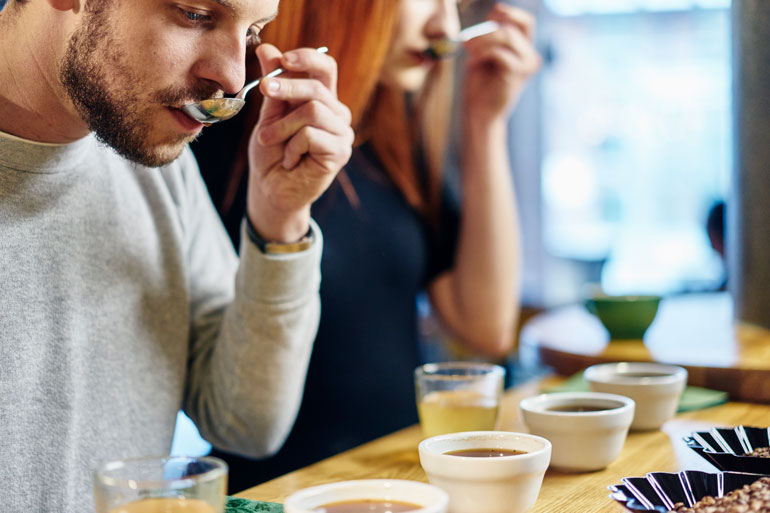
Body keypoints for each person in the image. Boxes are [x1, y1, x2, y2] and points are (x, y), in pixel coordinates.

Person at [0, 0, 353, 511]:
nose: (233, 80)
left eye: (253, 33)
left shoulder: (148, 153)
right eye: (195, 14)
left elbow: (243, 420)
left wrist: (280, 219)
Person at [195, 0, 541, 493]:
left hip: (402, 483)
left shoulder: (392, 134)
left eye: (455, 5)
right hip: (280, 491)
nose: (446, 26)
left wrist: (486, 122)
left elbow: (486, 327)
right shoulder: (215, 138)